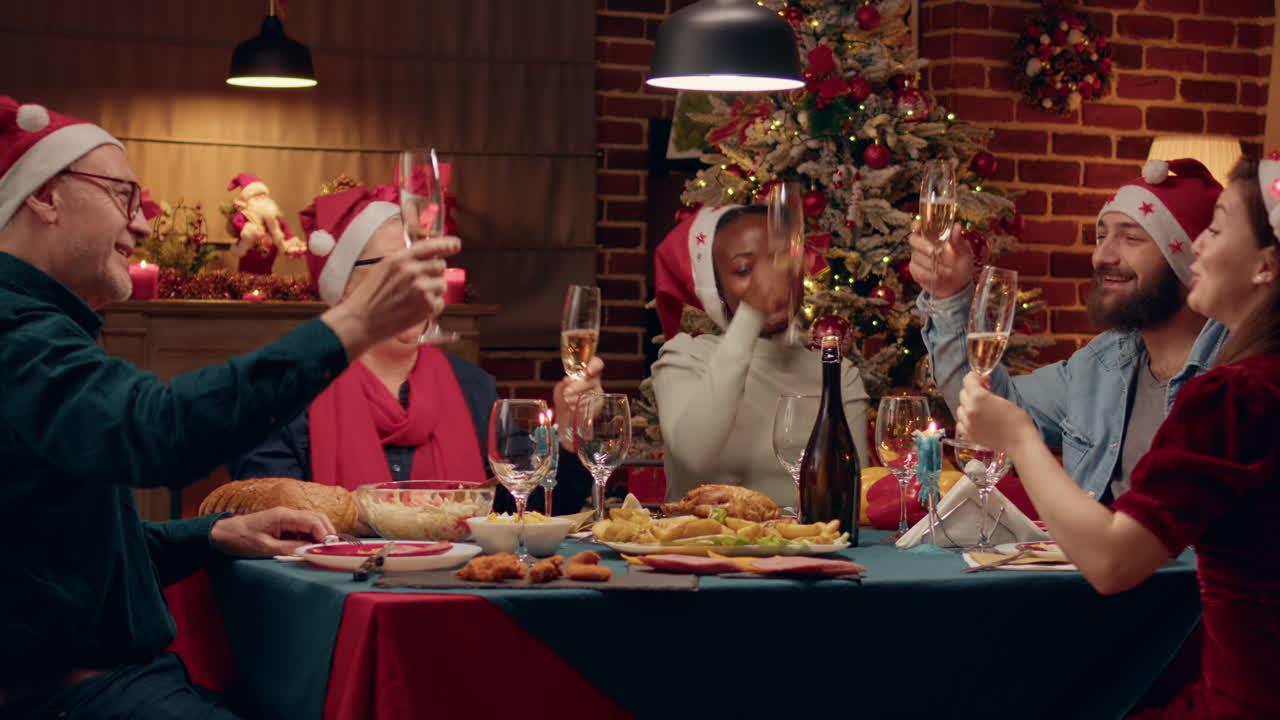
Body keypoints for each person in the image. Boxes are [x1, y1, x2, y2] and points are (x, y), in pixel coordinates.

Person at [0, 97, 455, 718]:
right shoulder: (18, 336)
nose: (141, 226)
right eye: (123, 197)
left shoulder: (43, 330)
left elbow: (70, 557)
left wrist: (211, 533)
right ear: (45, 197)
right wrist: (350, 325)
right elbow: (158, 433)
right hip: (79, 694)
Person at [957, 154, 1280, 719]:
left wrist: (1020, 439)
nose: (1197, 245)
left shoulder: (1236, 398)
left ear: (1266, 267)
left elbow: (1111, 563)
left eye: (1217, 227)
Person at [229, 184, 597, 516]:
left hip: (461, 585)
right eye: (396, 267)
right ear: (343, 287)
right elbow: (267, 518)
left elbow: (524, 512)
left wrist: (567, 432)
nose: (418, 283)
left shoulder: (473, 387)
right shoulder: (287, 392)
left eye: (426, 265)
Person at [910, 159, 1229, 502]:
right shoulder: (1101, 363)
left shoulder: (1242, 375)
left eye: (1131, 237)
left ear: (1189, 260)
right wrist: (950, 295)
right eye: (1101, 236)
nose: (1102, 256)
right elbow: (990, 407)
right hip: (1093, 555)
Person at [651, 204, 870, 506]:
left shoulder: (837, 372)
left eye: (780, 262)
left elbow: (854, 495)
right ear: (716, 287)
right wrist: (752, 312)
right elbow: (693, 458)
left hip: (808, 551)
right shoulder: (685, 356)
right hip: (702, 550)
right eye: (743, 270)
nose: (770, 279)